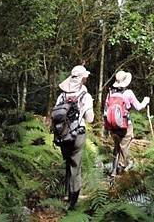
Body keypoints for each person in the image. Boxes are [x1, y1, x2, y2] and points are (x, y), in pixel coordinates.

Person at [54, 64, 94, 210]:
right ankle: (73, 200)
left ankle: (67, 194)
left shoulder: (62, 95)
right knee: (75, 165)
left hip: (62, 135)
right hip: (78, 134)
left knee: (68, 164)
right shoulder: (85, 95)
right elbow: (90, 119)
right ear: (83, 79)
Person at [104, 70, 150, 174]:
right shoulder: (128, 93)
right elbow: (138, 107)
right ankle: (121, 170)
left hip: (112, 126)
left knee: (117, 147)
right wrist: (145, 101)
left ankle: (114, 169)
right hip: (125, 125)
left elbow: (105, 111)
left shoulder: (110, 93)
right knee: (124, 146)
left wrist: (106, 128)